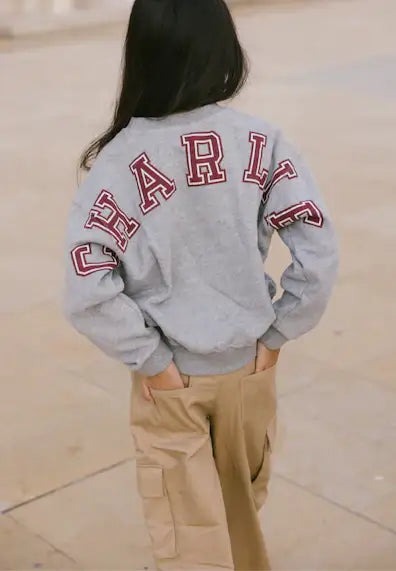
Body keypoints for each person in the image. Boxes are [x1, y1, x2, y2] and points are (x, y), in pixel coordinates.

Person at [63, 0, 338, 569]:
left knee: (188, 537)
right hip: (249, 372)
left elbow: (87, 287)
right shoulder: (262, 141)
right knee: (241, 515)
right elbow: (317, 248)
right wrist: (277, 334)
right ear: (224, 51)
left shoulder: (117, 164)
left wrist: (152, 362)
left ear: (139, 56)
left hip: (172, 384)